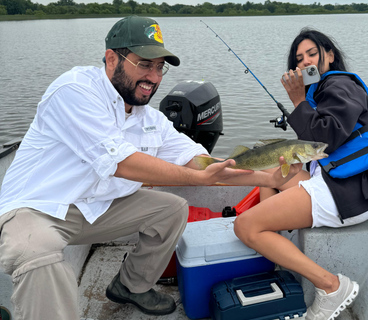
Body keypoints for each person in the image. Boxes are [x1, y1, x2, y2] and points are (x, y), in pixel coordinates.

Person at [0, 16, 302, 320]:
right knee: (37, 253)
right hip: (37, 208)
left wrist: (268, 176)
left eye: (159, 67)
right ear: (111, 59)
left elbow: (201, 162)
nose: (154, 77)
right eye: (144, 64)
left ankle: (131, 285)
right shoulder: (75, 90)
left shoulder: (151, 119)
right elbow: (121, 163)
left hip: (99, 206)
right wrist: (197, 176)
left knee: (172, 210)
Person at [234, 27, 368, 320]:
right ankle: (273, 243)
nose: (305, 62)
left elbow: (326, 137)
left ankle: (331, 286)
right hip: (338, 182)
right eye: (299, 58)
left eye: (312, 54)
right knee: (272, 169)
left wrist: (297, 101)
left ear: (330, 55)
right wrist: (303, 101)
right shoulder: (320, 91)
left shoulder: (340, 85)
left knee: (244, 226)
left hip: (351, 194)